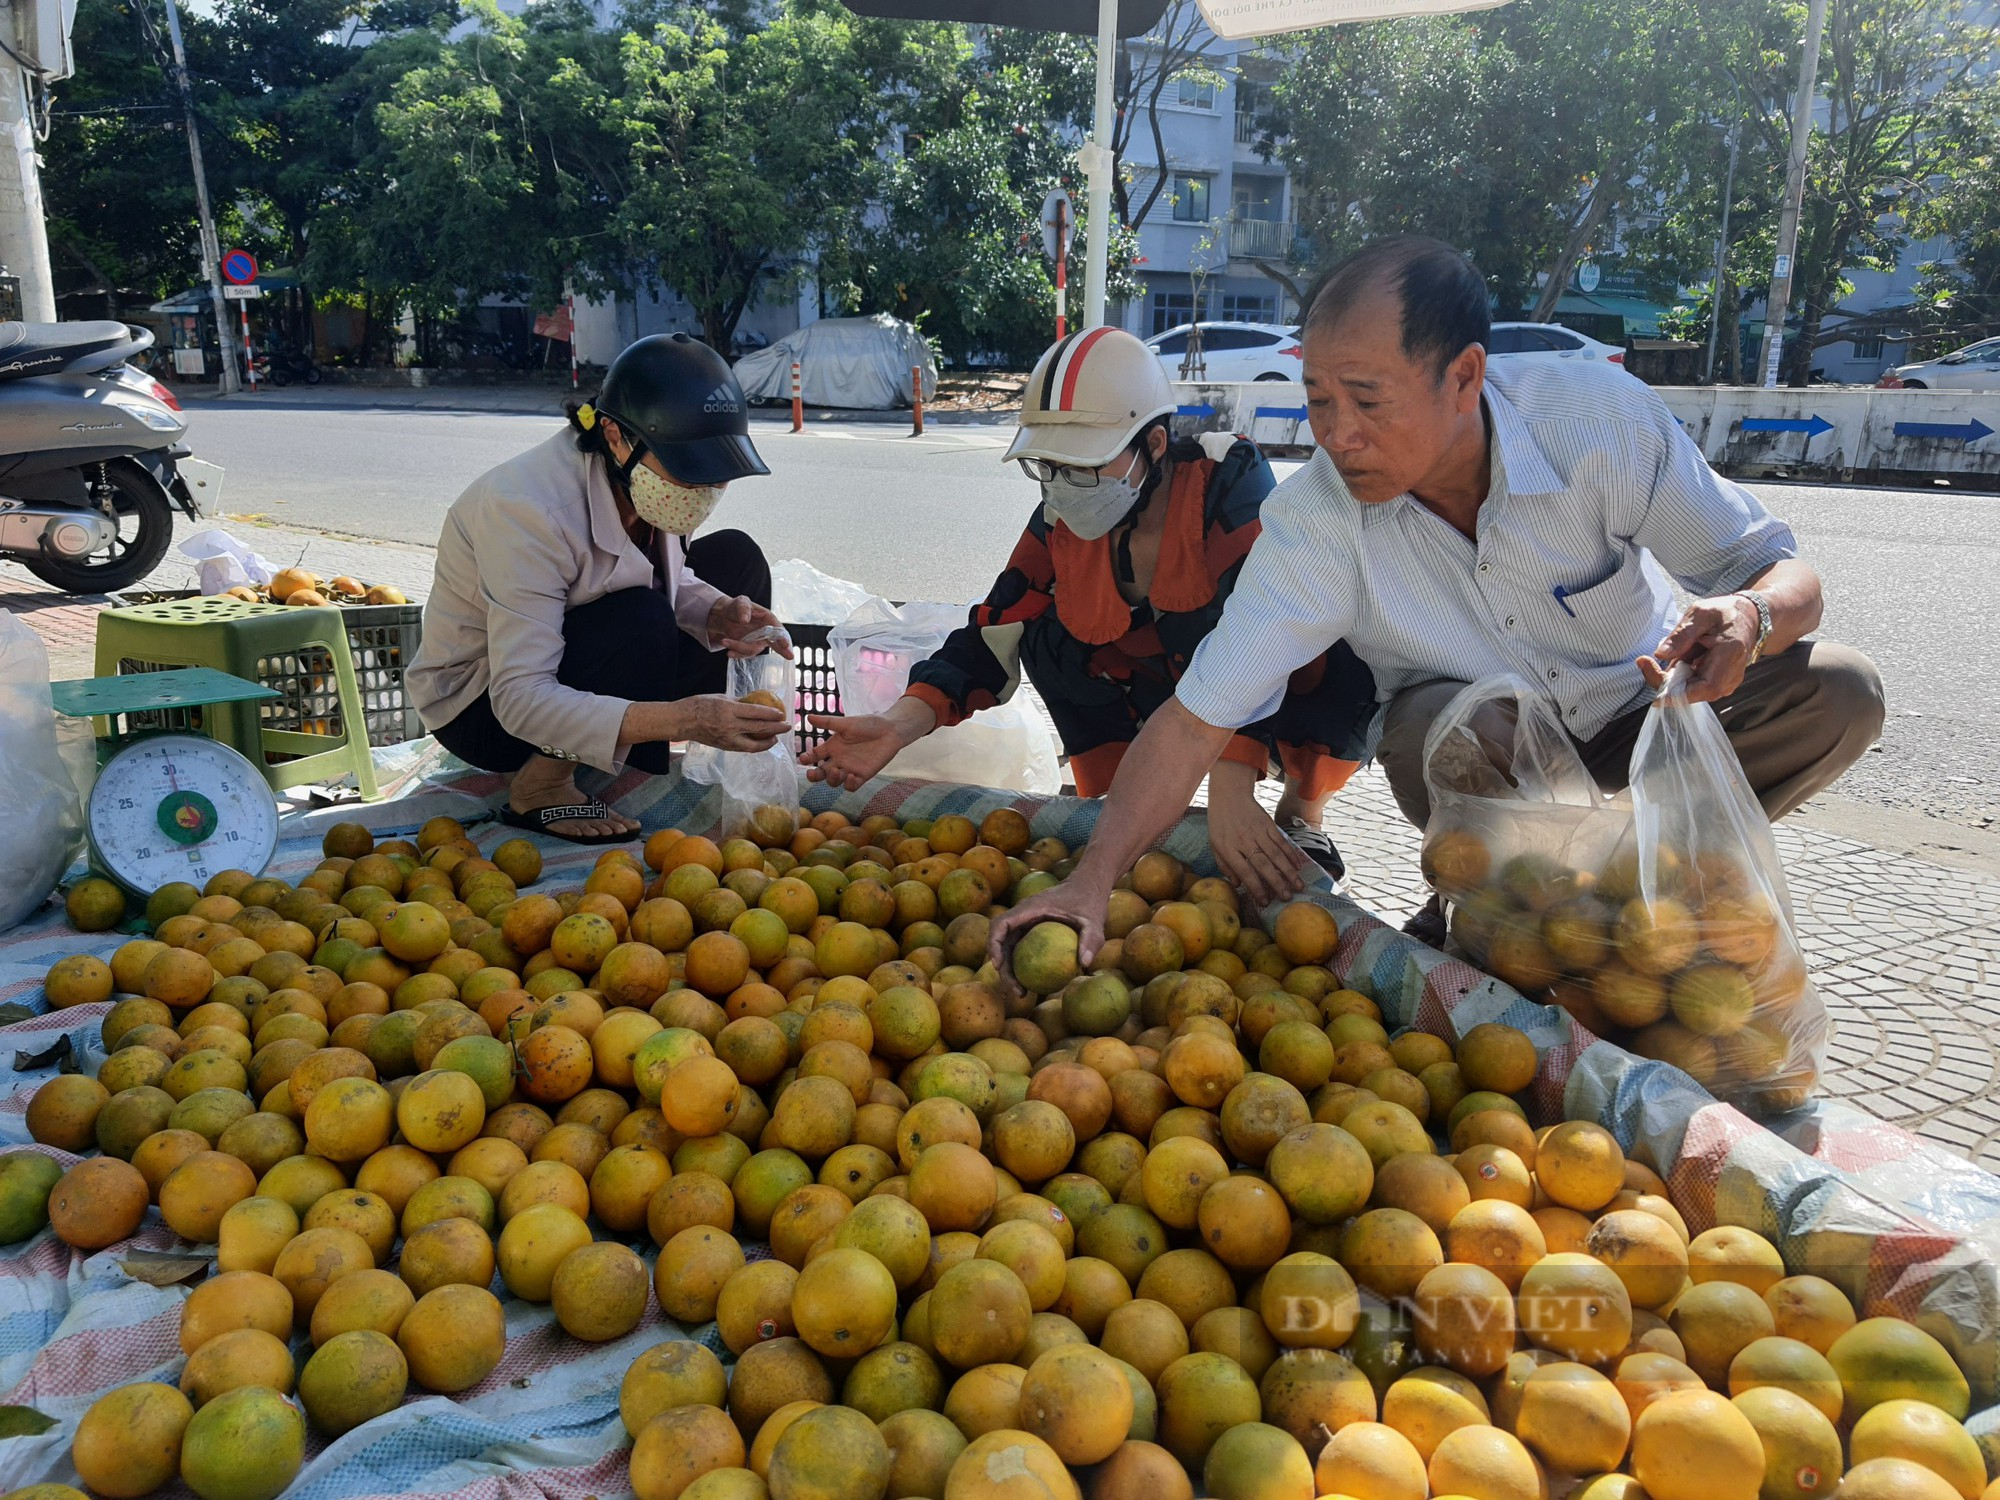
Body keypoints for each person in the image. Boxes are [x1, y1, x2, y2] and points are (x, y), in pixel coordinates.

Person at [990, 235, 1885, 969]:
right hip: (1490, 759)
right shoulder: (1318, 523)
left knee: (1841, 689)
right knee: (1427, 723)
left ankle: (1637, 883)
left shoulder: (1595, 425)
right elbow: (1194, 720)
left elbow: (1778, 566)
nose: (1337, 435)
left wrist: (1749, 617)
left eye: (1368, 400)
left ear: (1463, 377)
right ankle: (1533, 914)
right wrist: (1091, 882)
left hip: (1647, 711)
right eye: (1317, 400)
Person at [799, 326, 1377, 890]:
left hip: (1270, 674)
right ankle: (1130, 796)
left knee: (1341, 655)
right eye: (1047, 466)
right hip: (1163, 677)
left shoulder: (1227, 479)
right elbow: (991, 631)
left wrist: (1232, 788)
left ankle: (1304, 810)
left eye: (1081, 465)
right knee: (1045, 633)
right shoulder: (1062, 512)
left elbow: (1262, 632)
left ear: (1153, 445)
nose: (1060, 485)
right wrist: (897, 727)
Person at [408, 333, 792, 844]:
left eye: (714, 477)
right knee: (641, 617)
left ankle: (650, 737)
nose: (704, 494)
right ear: (615, 436)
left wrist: (713, 612)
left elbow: (650, 570)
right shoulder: (527, 511)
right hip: (486, 712)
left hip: (588, 657)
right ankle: (542, 785)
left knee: (736, 560)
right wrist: (686, 717)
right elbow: (520, 698)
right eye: (690, 473)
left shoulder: (646, 481)